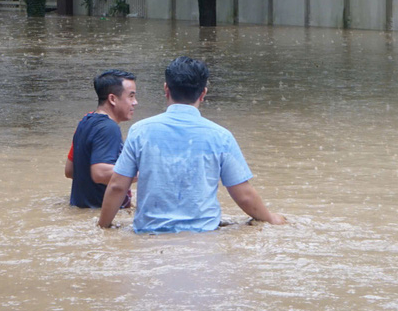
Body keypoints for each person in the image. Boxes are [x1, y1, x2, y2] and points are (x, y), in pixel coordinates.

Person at [98, 56, 286, 232]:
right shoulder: (220, 136)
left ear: (166, 89)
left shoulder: (140, 131)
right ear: (203, 93)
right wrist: (271, 218)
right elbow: (244, 195)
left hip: (149, 236)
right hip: (203, 238)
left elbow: (117, 187)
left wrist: (102, 227)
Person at [67, 69, 138, 208]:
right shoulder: (109, 128)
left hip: (82, 209)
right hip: (101, 212)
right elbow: (100, 173)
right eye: (131, 96)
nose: (135, 102)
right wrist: (146, 171)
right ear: (112, 99)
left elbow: (70, 170)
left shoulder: (85, 121)